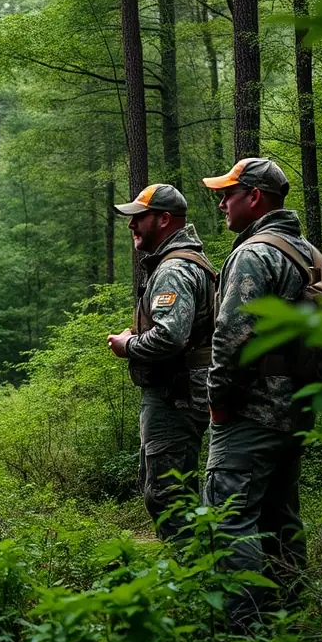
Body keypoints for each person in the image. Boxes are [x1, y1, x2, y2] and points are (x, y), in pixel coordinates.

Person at [201, 157, 322, 628]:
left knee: (228, 520)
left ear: (254, 197)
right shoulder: (308, 252)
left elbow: (231, 334)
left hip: (250, 412)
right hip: (297, 409)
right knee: (281, 520)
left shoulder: (254, 253)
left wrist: (217, 401)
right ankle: (294, 624)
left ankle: (245, 636)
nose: (221, 201)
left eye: (228, 193)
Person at [107, 184, 215, 540]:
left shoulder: (174, 269)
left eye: (138, 218)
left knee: (169, 495)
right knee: (176, 490)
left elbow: (171, 336)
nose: (131, 225)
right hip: (182, 391)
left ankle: (192, 581)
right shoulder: (185, 262)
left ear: (164, 219)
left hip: (175, 395)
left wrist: (129, 345)